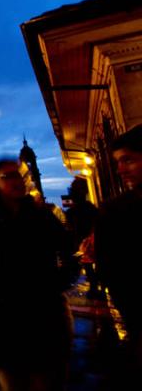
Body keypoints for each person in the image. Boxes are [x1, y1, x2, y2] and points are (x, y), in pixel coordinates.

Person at [0, 159, 72, 391]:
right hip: (7, 312)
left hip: (45, 308)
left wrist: (57, 282)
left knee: (47, 388)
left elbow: (69, 251)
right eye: (9, 176)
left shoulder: (43, 215)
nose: (18, 181)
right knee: (12, 390)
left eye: (21, 176)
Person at [95, 124, 142, 368]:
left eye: (128, 160)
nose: (120, 170)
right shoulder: (114, 211)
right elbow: (111, 269)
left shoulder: (116, 211)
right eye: (118, 163)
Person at [65, 178, 100, 297]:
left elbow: (72, 228)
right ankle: (97, 285)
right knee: (94, 263)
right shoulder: (91, 208)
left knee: (88, 264)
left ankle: (94, 286)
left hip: (84, 239)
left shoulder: (72, 212)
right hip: (92, 237)